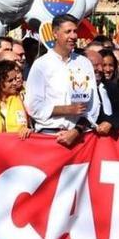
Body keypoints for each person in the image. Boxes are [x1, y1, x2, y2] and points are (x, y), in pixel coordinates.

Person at [24, 15, 99, 146]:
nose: (73, 36)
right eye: (68, 31)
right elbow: (33, 106)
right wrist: (65, 110)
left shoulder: (84, 63)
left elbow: (93, 106)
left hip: (79, 138)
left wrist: (76, 130)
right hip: (49, 137)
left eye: (75, 31)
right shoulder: (41, 65)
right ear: (55, 33)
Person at [0, 60, 32, 139]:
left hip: (19, 145)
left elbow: (34, 125)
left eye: (15, 79)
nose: (15, 83)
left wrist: (28, 130)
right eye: (10, 80)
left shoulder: (24, 97)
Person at [85, 48, 119, 136]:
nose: (106, 69)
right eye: (102, 65)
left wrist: (112, 123)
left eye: (110, 65)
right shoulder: (82, 87)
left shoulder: (112, 87)